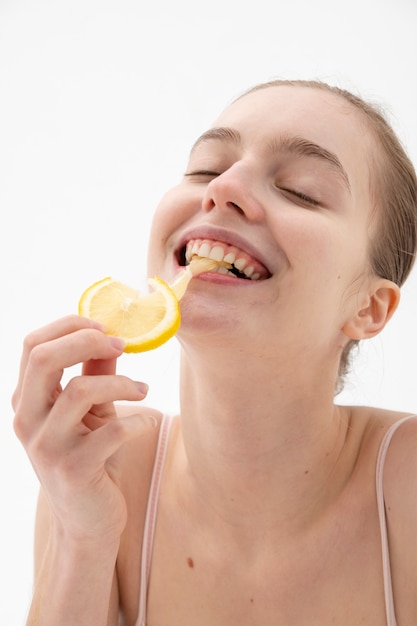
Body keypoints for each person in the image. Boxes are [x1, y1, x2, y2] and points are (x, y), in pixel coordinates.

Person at [13, 79, 417, 626]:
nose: (222, 188)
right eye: (205, 168)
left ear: (369, 308)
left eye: (301, 190)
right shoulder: (104, 467)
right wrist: (82, 534)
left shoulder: (406, 481)